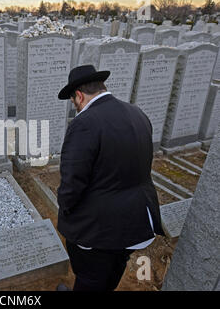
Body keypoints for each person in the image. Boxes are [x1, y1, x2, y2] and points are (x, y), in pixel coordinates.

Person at [56, 65, 165, 291]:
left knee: (89, 279)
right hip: (137, 222)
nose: (75, 107)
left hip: (99, 229)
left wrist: (67, 210)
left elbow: (73, 182)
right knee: (113, 272)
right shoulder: (137, 113)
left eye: (73, 102)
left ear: (79, 95)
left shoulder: (84, 123)